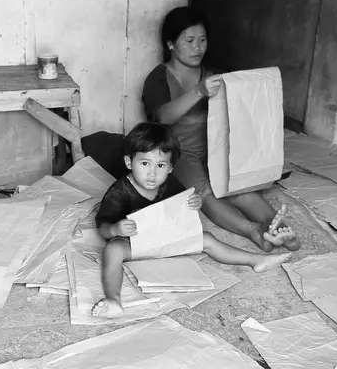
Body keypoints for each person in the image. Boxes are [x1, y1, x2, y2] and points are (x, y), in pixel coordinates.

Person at [91, 122, 291, 319]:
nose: (152, 173)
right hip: (135, 244)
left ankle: (255, 260)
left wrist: (193, 203)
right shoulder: (119, 192)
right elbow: (103, 228)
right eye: (144, 163)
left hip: (165, 241)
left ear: (170, 168)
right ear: (129, 163)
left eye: (160, 165)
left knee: (208, 239)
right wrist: (116, 229)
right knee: (112, 249)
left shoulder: (170, 184)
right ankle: (114, 300)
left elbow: (182, 206)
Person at [142, 6, 300, 253]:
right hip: (179, 153)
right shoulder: (159, 78)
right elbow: (161, 117)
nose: (198, 48)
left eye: (203, 40)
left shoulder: (215, 75)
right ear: (171, 44)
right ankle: (253, 231)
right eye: (190, 41)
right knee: (205, 192)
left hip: (215, 148)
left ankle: (280, 227)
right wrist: (198, 92)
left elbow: (239, 115)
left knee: (237, 188)